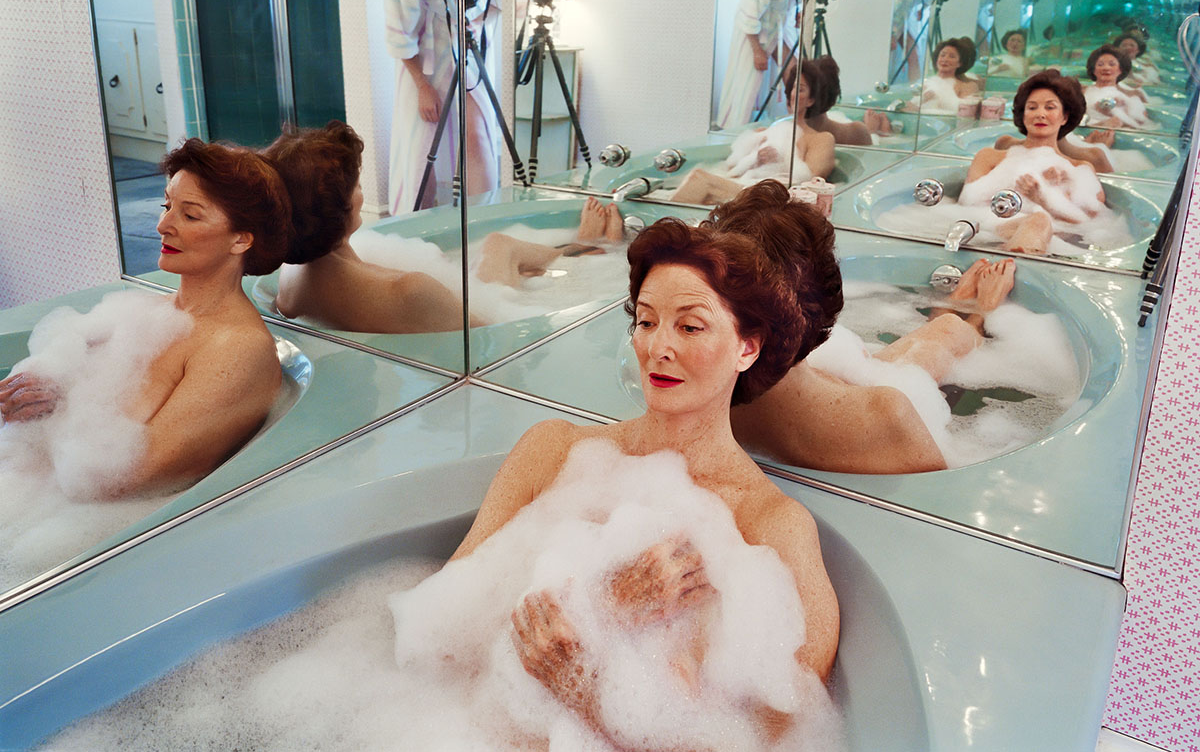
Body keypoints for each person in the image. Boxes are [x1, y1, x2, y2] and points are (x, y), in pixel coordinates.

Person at [448, 207, 841, 742]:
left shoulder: (772, 528)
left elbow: (761, 737)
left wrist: (582, 687)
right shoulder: (552, 452)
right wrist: (602, 602)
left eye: (690, 326)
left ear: (747, 347)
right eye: (647, 321)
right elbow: (443, 638)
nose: (658, 347)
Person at [0, 140, 291, 497]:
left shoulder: (237, 348)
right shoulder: (152, 312)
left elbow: (132, 475)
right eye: (166, 205)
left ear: (241, 240)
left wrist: (57, 419)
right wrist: (45, 398)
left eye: (190, 215)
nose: (163, 225)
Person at [716, 182, 1016, 474]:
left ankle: (953, 312)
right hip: (834, 412)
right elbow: (938, 496)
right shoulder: (888, 414)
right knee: (952, 332)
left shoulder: (696, 386)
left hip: (798, 397)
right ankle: (981, 314)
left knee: (947, 329)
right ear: (827, 299)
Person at [263, 122, 626, 333]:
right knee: (501, 244)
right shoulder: (411, 290)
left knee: (514, 260)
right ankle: (593, 246)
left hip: (436, 310)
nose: (362, 193)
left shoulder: (292, 276)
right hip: (498, 318)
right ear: (341, 209)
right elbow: (499, 332)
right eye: (357, 185)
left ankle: (570, 251)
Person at [384, 0, 503, 214]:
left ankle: (483, 220)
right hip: (423, 49)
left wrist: (478, 19)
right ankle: (412, 229)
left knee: (477, 134)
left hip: (470, 39)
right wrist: (422, 85)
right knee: (421, 148)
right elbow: (400, 31)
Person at [964, 69, 1105, 253]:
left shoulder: (1079, 170)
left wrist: (1044, 198)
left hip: (1056, 244)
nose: (1040, 114)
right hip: (989, 234)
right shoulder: (988, 158)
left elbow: (1094, 225)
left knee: (1039, 220)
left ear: (1065, 117)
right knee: (1038, 220)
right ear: (1023, 114)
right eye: (1032, 107)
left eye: (1050, 107)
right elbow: (967, 205)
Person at [672, 58, 838, 206]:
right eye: (793, 87)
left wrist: (784, 160)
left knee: (700, 179)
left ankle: (662, 235)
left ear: (811, 100)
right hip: (750, 187)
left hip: (774, 200)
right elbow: (731, 167)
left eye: (800, 89)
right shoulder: (767, 132)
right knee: (701, 185)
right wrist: (755, 160)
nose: (793, 94)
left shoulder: (820, 139)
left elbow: (811, 184)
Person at [715, 0, 807, 129]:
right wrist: (757, 50)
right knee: (747, 86)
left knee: (796, 74)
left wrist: (799, 14)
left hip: (777, 31)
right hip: (752, 31)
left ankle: (798, 126)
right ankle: (734, 132)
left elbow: (789, 4)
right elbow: (750, 13)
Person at [890, 0, 935, 82]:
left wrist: (923, 8)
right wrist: (891, 34)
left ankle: (915, 90)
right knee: (889, 54)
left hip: (902, 23)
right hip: (889, 23)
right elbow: (892, 8)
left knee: (914, 54)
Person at [1081, 43, 1148, 129]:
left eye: (1112, 64)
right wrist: (1101, 123)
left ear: (1121, 69)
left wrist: (1121, 119)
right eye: (1100, 64)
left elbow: (1140, 124)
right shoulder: (1081, 92)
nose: (1106, 68)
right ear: (1093, 69)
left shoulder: (1129, 98)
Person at [915, 36, 981, 113]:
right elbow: (913, 106)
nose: (945, 59)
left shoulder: (967, 86)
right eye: (942, 55)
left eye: (952, 57)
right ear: (937, 59)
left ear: (960, 63)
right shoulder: (925, 83)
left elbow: (966, 113)